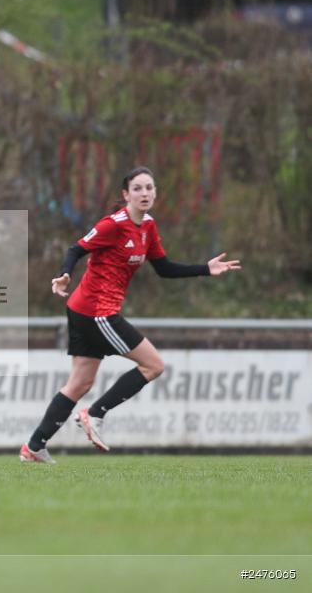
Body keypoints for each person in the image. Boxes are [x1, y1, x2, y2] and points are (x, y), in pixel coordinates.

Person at [20, 166, 241, 464]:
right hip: (96, 311)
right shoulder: (114, 224)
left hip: (86, 310)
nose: (144, 193)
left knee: (79, 384)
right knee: (153, 365)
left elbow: (164, 268)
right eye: (137, 188)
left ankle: (34, 447)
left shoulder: (148, 227)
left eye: (149, 188)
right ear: (126, 194)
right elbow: (76, 249)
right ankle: (94, 414)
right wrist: (63, 275)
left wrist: (205, 269)